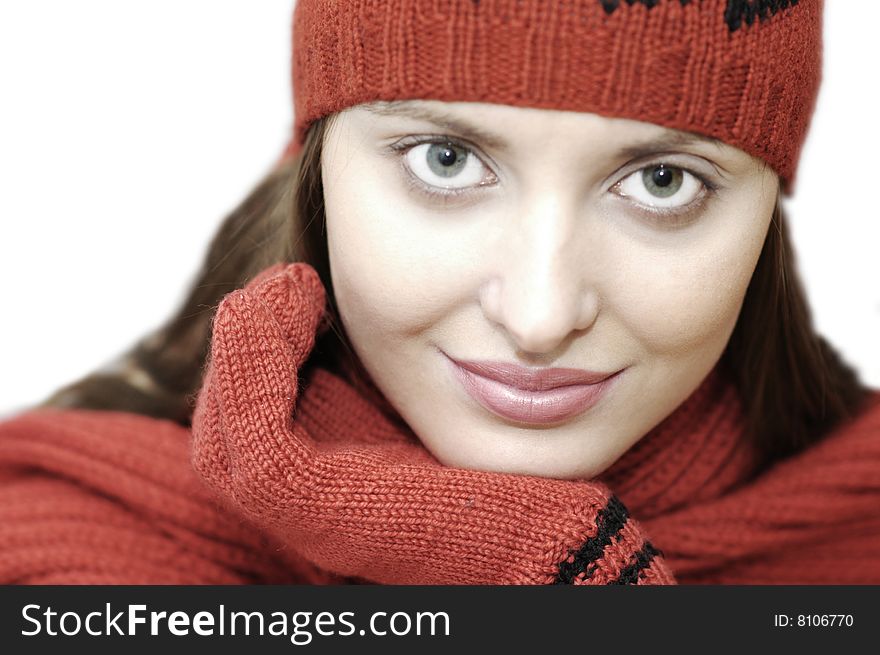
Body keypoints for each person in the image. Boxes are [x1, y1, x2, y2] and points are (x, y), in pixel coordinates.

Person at [1, 0, 878, 584]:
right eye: (446, 160)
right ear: (316, 169)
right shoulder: (74, 569)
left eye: (661, 181)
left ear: (766, 209)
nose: (538, 316)